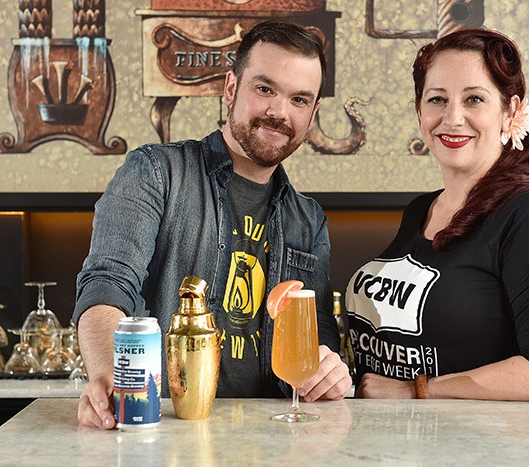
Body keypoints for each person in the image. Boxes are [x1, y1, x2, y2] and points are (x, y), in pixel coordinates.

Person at [75, 20, 352, 430]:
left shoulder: (308, 219)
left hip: (273, 439)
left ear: (312, 115)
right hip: (167, 429)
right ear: (230, 88)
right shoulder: (156, 173)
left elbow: (318, 339)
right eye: (264, 89)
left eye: (299, 99)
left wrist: (330, 372)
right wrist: (109, 370)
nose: (279, 112)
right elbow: (107, 282)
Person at [346, 28, 529, 402]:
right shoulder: (420, 210)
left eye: (474, 99)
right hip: (393, 448)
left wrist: (416, 391)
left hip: (470, 450)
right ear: (419, 110)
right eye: (437, 99)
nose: (453, 118)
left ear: (510, 111)